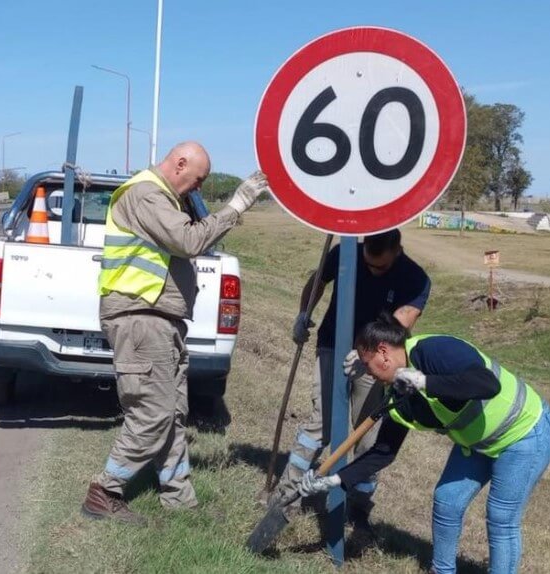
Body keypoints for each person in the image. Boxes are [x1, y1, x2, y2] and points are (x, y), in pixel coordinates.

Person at [81, 142, 268, 524]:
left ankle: (179, 497)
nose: (197, 188)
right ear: (180, 163)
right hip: (141, 317)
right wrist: (236, 205)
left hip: (159, 320)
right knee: (153, 413)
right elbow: (189, 241)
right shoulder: (146, 194)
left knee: (173, 413)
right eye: (197, 180)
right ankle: (105, 490)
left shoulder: (162, 197)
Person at [299, 313, 550, 574]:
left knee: (501, 517)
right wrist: (335, 479)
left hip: (524, 433)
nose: (368, 373)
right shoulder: (398, 395)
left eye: (367, 364)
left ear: (383, 352)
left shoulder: (434, 350)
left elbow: (487, 384)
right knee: (447, 501)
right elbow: (384, 452)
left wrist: (424, 381)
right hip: (479, 442)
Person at [272, 229, 431, 535]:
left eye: (381, 267)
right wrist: (303, 313)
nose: (373, 270)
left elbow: (401, 324)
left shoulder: (415, 278)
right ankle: (286, 495)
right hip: (332, 345)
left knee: (367, 436)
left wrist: (365, 354)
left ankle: (358, 507)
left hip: (376, 360)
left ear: (397, 250)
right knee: (320, 424)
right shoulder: (345, 254)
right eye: (369, 264)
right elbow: (317, 281)